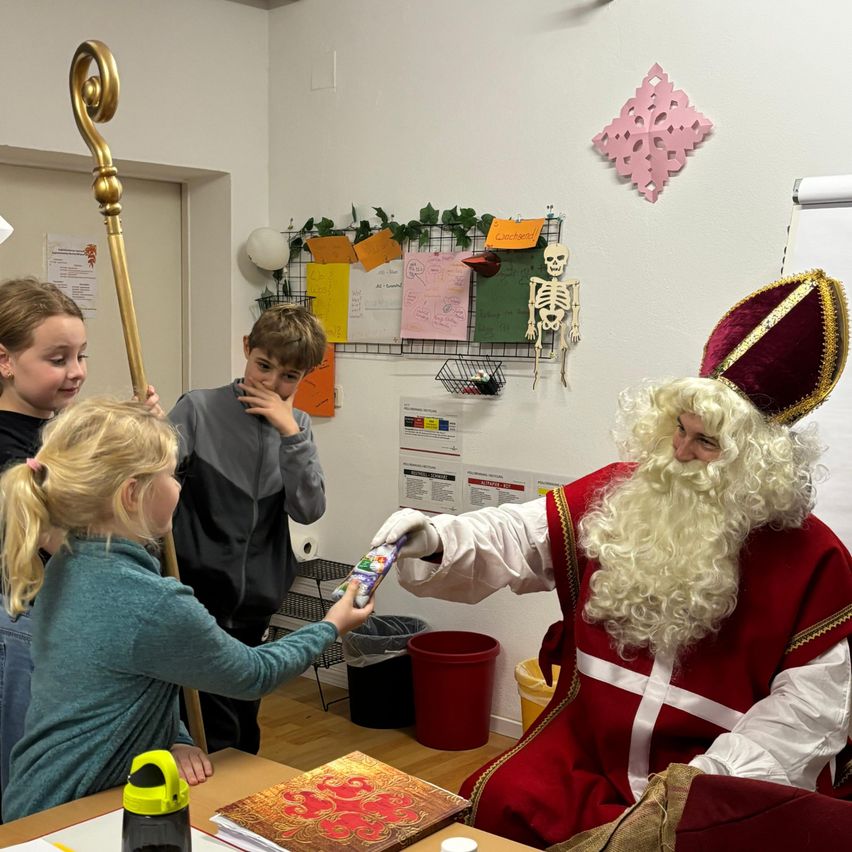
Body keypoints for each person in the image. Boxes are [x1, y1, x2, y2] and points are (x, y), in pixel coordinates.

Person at [372, 270, 852, 849]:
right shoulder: (628, 493)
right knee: (502, 798)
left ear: (758, 465)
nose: (677, 452)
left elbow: (809, 714)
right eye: (680, 428)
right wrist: (438, 538)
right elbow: (517, 535)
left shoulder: (816, 560)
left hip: (714, 781)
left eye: (705, 444)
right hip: (585, 754)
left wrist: (694, 793)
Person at [0, 397, 371, 821]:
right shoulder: (151, 603)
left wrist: (171, 735)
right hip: (75, 809)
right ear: (132, 495)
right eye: (173, 475)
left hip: (34, 796)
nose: (180, 487)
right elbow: (253, 674)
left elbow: (122, 683)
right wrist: (330, 625)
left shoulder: (69, 563)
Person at [0, 277, 162, 818]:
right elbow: (72, 531)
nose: (77, 371)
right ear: (5, 360)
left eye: (82, 355)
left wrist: (141, 436)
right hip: (18, 629)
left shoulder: (55, 430)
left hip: (54, 625)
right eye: (58, 357)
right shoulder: (10, 450)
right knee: (28, 784)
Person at [169, 302, 327, 754]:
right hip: (197, 596)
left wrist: (289, 434)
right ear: (246, 349)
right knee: (214, 731)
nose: (272, 384)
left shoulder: (297, 426)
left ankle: (236, 808)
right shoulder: (198, 409)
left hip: (256, 603)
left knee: (242, 716)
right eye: (263, 366)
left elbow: (309, 509)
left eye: (289, 377)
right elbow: (149, 479)